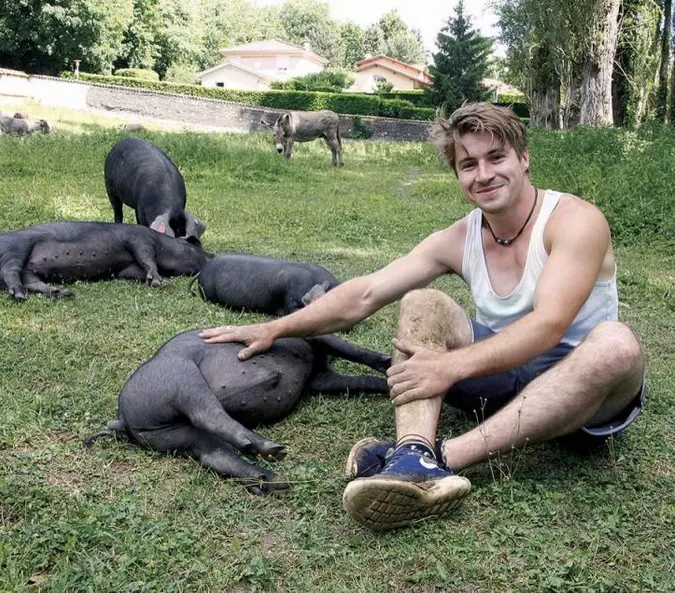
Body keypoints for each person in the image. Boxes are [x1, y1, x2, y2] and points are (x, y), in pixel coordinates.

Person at [200, 102, 646, 531]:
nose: (484, 174)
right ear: (457, 174)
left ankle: (440, 458)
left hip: (585, 399)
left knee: (616, 344)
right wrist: (275, 327)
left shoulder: (574, 220)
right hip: (507, 382)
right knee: (421, 302)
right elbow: (367, 293)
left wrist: (449, 366)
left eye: (496, 157)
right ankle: (412, 451)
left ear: (524, 158)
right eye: (468, 164)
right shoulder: (462, 236)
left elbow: (550, 325)